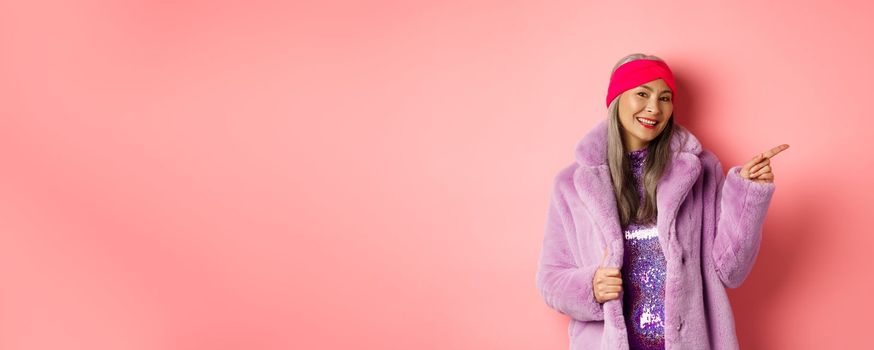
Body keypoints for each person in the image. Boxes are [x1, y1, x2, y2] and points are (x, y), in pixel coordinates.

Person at [534, 53, 788, 349]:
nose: (654, 108)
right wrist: (591, 287)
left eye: (665, 98)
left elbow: (729, 270)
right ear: (617, 99)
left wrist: (747, 194)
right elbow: (550, 279)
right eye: (642, 93)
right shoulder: (572, 185)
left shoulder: (699, 171)